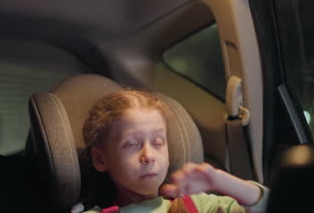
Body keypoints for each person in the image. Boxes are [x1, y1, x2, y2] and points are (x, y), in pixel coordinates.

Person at [79, 89, 269, 213]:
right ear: (100, 160)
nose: (149, 156)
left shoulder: (197, 206)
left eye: (158, 142)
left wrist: (223, 181)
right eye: (132, 144)